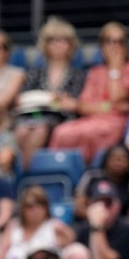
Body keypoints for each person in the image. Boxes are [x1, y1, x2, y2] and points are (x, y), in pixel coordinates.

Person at [48, 21, 129, 164]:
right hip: (91, 119)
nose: (114, 46)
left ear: (126, 46)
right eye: (109, 41)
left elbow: (117, 97)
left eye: (119, 42)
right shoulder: (95, 72)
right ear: (102, 46)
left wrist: (114, 69)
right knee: (61, 132)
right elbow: (84, 106)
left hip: (115, 124)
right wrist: (106, 107)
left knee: (90, 133)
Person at [12, 16, 88, 171]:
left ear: (71, 44)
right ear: (45, 44)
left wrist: (59, 102)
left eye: (63, 40)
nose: (58, 45)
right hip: (34, 115)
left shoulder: (78, 75)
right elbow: (23, 96)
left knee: (39, 129)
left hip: (62, 119)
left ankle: (27, 173)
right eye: (53, 40)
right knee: (21, 129)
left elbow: (74, 102)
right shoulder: (35, 73)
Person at [0, 185, 75, 259]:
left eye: (39, 205)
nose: (34, 210)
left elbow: (71, 251)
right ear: (23, 209)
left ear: (46, 207)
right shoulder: (13, 227)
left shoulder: (54, 227)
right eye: (30, 206)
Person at [75, 143, 129, 220]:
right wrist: (97, 220)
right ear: (106, 160)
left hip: (119, 223)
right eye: (114, 158)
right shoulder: (92, 177)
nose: (118, 162)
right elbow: (78, 207)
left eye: (123, 158)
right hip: (90, 220)